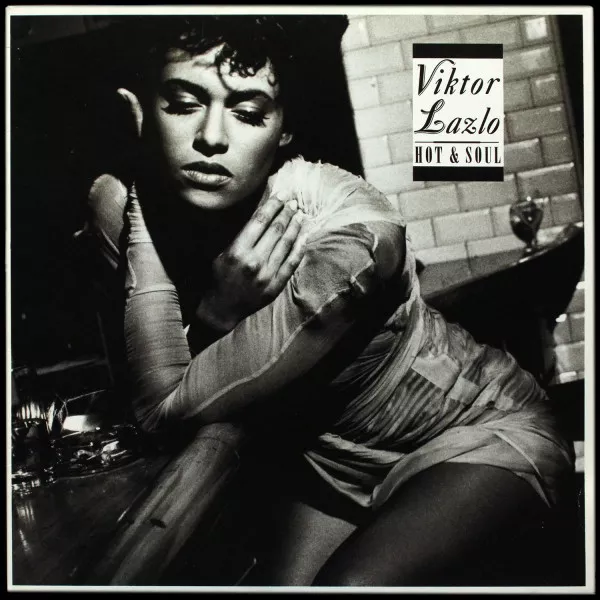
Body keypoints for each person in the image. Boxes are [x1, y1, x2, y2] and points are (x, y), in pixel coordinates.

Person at [82, 15, 575, 586]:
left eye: (248, 113)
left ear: (284, 128)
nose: (212, 137)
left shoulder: (349, 237)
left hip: (473, 434)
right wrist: (141, 198)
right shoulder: (122, 206)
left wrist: (213, 314)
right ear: (140, 110)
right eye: (183, 104)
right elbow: (161, 399)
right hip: (336, 470)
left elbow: (158, 410)